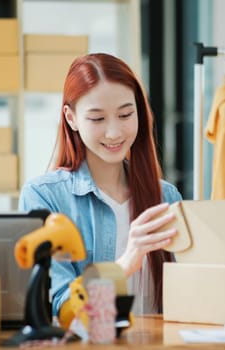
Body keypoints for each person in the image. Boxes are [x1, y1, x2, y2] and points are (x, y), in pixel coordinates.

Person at [18, 53, 182, 328]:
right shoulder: (44, 196)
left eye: (126, 114)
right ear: (71, 118)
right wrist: (127, 262)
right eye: (97, 119)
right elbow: (59, 305)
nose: (114, 132)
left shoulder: (167, 197)